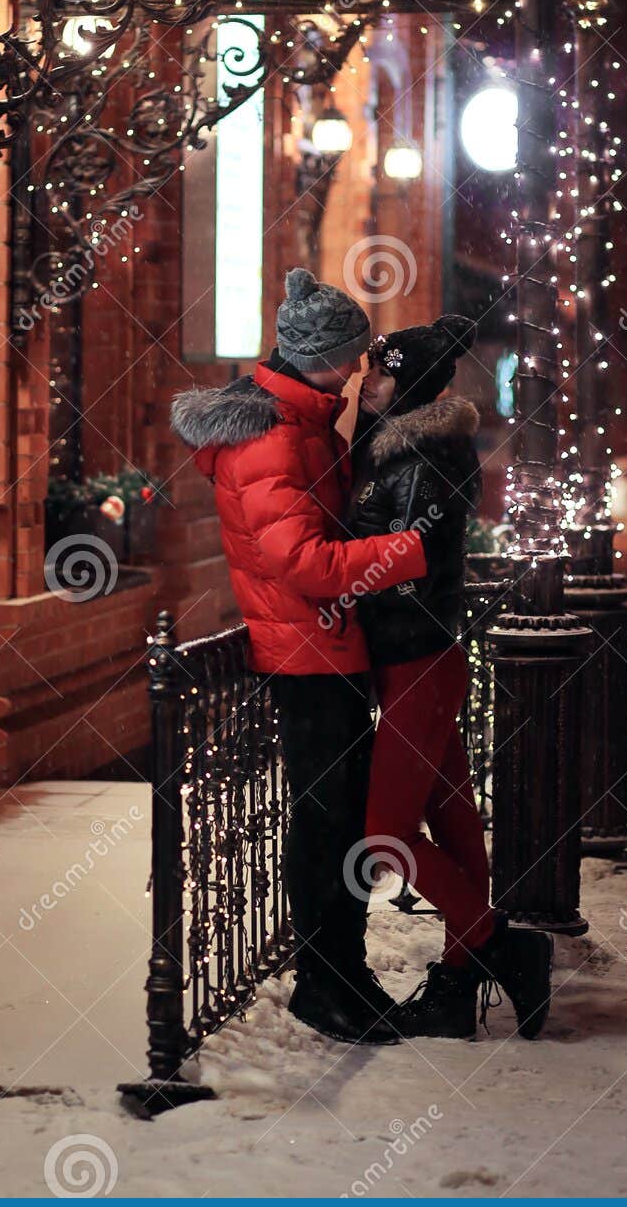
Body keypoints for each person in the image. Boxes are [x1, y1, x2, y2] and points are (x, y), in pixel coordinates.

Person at [171, 268, 428, 1046]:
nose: (357, 368)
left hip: (328, 647)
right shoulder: (272, 437)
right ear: (317, 355)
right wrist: (411, 550)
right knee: (325, 825)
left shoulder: (305, 421)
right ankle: (324, 983)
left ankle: (342, 972)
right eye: (349, 355)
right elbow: (306, 563)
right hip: (307, 654)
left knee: (341, 823)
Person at [350, 315, 553, 1040]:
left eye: (378, 370)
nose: (364, 380)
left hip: (416, 662)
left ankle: (500, 944)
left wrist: (335, 579)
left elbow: (403, 561)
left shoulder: (420, 457)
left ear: (406, 382)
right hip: (418, 659)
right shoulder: (403, 449)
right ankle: (459, 982)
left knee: (382, 838)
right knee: (453, 820)